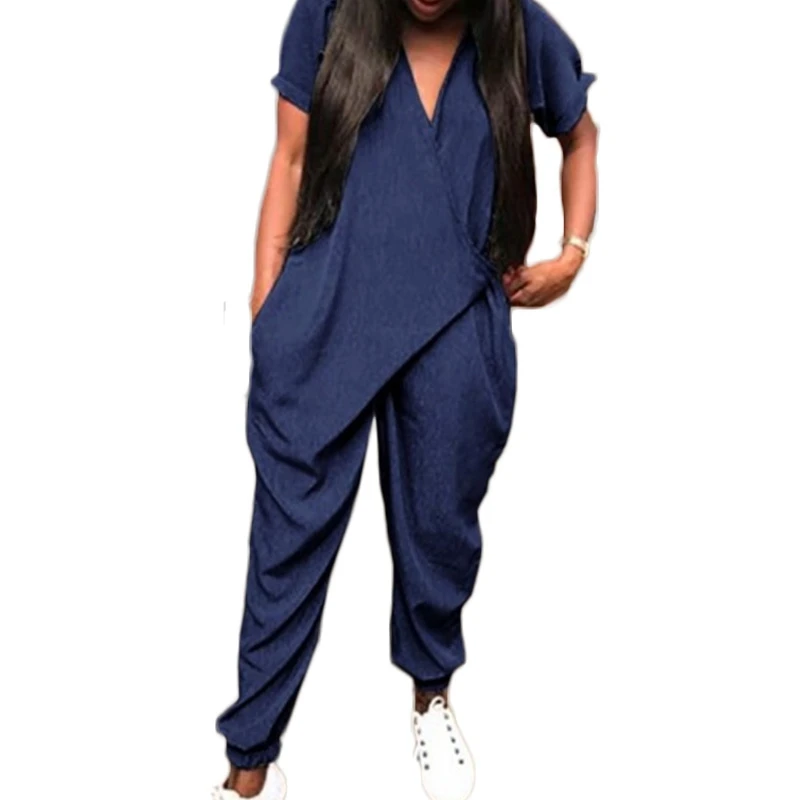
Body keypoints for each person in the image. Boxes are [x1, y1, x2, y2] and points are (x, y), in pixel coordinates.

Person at [213, 0, 598, 797]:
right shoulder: (327, 15)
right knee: (285, 545)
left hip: (456, 320)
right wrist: (266, 305)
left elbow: (580, 135)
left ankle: (431, 694)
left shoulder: (519, 31)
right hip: (330, 313)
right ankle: (248, 763)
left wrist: (572, 254)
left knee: (441, 533)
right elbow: (290, 158)